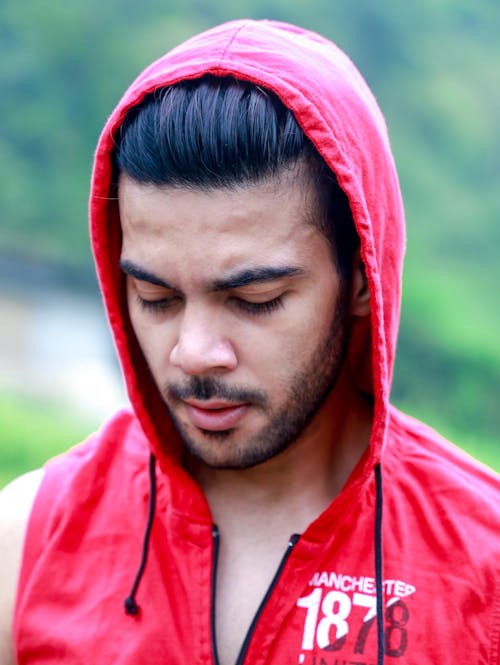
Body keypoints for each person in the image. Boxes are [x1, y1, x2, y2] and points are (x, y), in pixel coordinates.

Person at [1, 19, 499, 665]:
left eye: (254, 300)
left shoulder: (483, 573)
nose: (193, 350)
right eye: (156, 298)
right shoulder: (29, 541)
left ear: (361, 279)